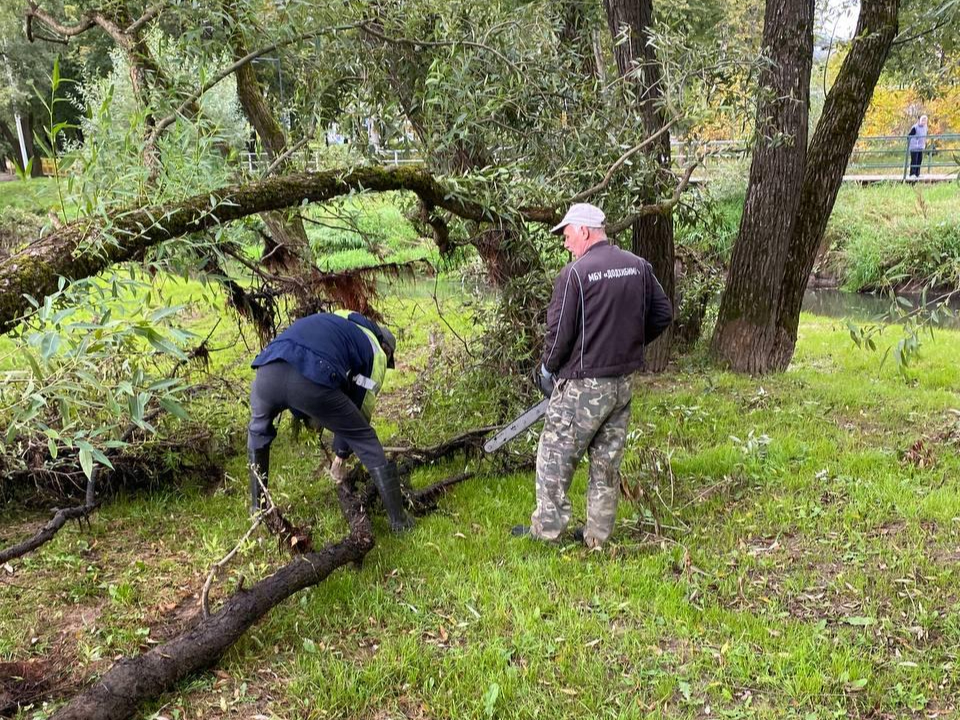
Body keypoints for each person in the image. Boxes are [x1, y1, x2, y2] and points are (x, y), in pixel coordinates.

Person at [513, 203, 673, 548]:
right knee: (606, 463)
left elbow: (558, 335)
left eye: (568, 235)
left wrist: (548, 368)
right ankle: (598, 537)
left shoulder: (576, 274)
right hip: (622, 384)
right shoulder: (638, 267)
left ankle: (547, 532)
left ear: (584, 230)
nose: (567, 244)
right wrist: (629, 342)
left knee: (554, 459)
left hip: (583, 386)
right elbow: (663, 313)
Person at [246, 310, 414, 531]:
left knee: (258, 434)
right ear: (387, 349)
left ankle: (258, 510)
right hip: (309, 378)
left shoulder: (341, 318)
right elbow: (360, 409)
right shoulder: (376, 350)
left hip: (267, 370)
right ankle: (400, 522)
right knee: (366, 438)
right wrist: (341, 456)